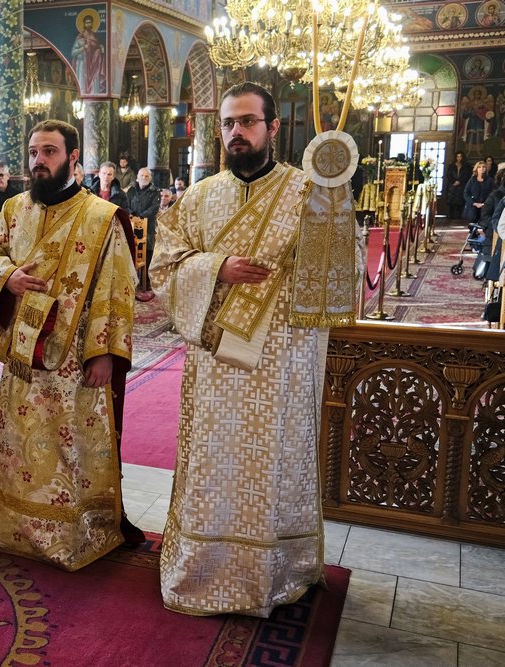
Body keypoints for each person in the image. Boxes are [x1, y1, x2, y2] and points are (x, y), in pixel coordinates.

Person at [150, 82, 356, 617]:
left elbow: (337, 275)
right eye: (228, 123)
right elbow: (164, 264)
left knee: (272, 464)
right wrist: (216, 267)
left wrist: (335, 202)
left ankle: (274, 570)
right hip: (215, 362)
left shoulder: (307, 192)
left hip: (282, 361)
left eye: (247, 121)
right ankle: (204, 565)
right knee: (213, 463)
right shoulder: (200, 197)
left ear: (273, 127)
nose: (236, 132)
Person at [0, 119, 142, 571]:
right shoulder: (14, 208)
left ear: (72, 157)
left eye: (49, 151)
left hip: (74, 359)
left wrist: (104, 352)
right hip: (23, 354)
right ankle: (12, 527)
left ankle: (71, 534)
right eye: (33, 152)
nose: (38, 161)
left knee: (69, 449)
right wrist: (7, 276)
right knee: (18, 444)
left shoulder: (101, 217)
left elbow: (117, 286)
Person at [127, 167, 161, 300]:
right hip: (132, 226)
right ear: (137, 177)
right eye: (142, 175)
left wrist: (140, 218)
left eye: (147, 176)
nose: (144, 178)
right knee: (132, 254)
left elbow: (154, 209)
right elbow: (127, 204)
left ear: (150, 178)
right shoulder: (131, 190)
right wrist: (132, 215)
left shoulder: (155, 192)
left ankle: (146, 283)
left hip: (148, 228)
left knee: (147, 255)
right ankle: (133, 281)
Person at [465, 161, 494, 227]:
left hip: (486, 205)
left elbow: (494, 193)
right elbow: (466, 193)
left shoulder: (490, 180)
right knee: (472, 218)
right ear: (476, 169)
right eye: (479, 167)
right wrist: (474, 203)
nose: (482, 169)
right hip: (473, 205)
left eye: (483, 167)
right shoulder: (472, 180)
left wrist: (486, 203)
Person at [445, 152, 471, 221]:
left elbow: (467, 175)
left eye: (460, 156)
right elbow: (448, 174)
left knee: (460, 200)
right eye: (457, 156)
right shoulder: (451, 165)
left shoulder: (467, 166)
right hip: (452, 185)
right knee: (451, 200)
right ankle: (451, 215)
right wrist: (454, 181)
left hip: (462, 185)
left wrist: (460, 181)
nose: (459, 158)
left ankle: (459, 215)